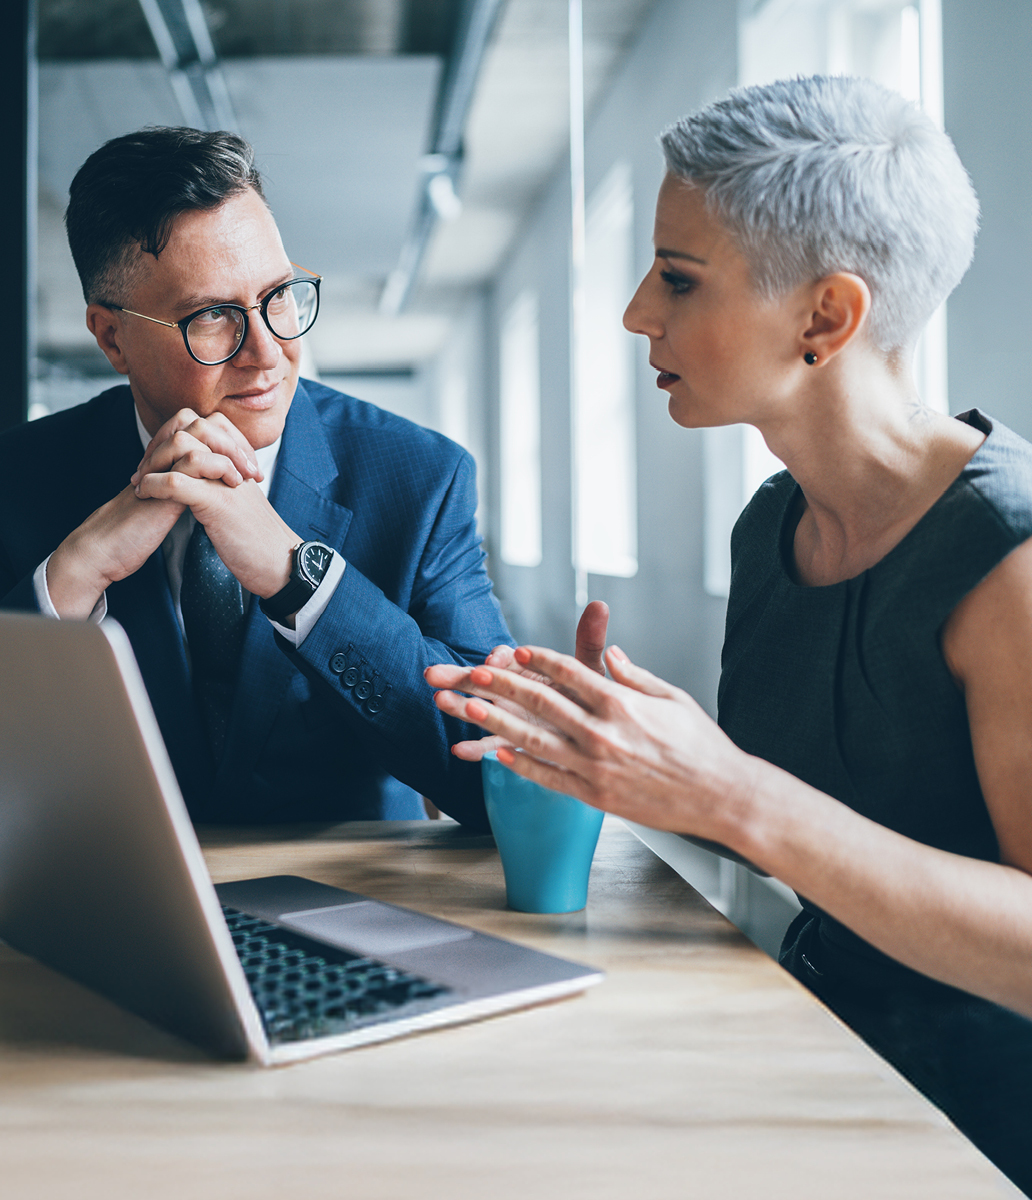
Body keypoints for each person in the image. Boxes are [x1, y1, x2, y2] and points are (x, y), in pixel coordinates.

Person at [428, 76, 1032, 1192]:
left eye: (677, 278)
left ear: (826, 317)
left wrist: (728, 790)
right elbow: (809, 840)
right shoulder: (775, 528)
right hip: (820, 1059)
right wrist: (625, 754)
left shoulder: (1011, 560)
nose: (635, 314)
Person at [0, 126, 516, 829]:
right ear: (111, 337)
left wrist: (301, 579)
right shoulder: (17, 480)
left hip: (351, 908)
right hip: (119, 911)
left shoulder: (420, 478)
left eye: (280, 294)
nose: (269, 353)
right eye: (213, 317)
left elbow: (499, 773)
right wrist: (73, 575)